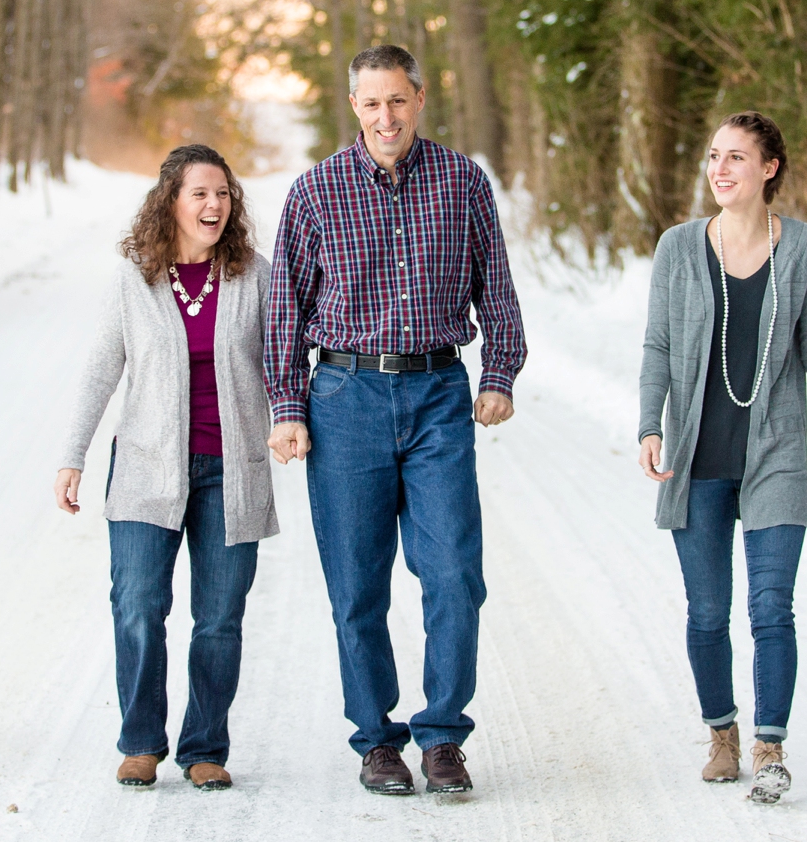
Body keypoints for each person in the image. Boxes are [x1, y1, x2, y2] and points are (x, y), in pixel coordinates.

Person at [266, 44, 526, 797]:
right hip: (345, 399)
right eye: (372, 103)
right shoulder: (316, 191)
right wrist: (288, 407)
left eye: (398, 101)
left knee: (454, 575)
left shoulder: (462, 180)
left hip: (439, 392)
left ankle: (443, 735)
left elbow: (497, 289)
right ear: (356, 107)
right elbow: (285, 307)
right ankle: (377, 740)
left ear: (420, 100)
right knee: (357, 585)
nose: (386, 116)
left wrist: (499, 373)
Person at [636, 110, 807, 805]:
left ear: (769, 169)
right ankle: (722, 732)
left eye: (736, 158)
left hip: (776, 454)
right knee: (707, 613)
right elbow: (658, 345)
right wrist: (650, 425)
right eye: (712, 157)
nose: (720, 170)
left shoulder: (804, 248)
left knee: (771, 608)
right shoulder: (677, 247)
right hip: (697, 460)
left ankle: (770, 747)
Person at [57, 144, 278, 791]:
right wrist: (72, 454)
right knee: (137, 605)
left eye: (223, 194)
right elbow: (102, 366)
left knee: (218, 618)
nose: (213, 205)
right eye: (199, 194)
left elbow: (288, 363)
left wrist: (298, 423)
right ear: (171, 202)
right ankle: (141, 741)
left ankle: (205, 745)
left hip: (230, 470)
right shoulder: (136, 276)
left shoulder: (254, 276)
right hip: (147, 469)